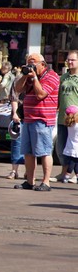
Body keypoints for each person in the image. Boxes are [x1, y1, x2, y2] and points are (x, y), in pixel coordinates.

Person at [13, 53, 59, 191]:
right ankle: (29, 181)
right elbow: (17, 89)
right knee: (28, 152)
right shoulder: (30, 76)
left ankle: (46, 182)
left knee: (44, 151)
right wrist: (26, 75)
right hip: (28, 118)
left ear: (43, 64)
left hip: (42, 119)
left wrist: (34, 78)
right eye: (28, 63)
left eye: (33, 63)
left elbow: (40, 94)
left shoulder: (52, 76)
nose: (30, 66)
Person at [50, 50, 78, 184]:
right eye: (68, 59)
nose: (69, 62)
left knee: (75, 147)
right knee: (62, 147)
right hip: (62, 118)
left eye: (72, 60)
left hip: (76, 119)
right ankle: (64, 172)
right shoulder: (63, 77)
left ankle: (75, 174)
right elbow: (58, 97)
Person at [6, 72, 25, 179]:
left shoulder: (38, 79)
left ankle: (29, 171)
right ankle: (14, 171)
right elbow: (14, 97)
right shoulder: (19, 78)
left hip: (32, 114)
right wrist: (15, 113)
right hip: (19, 113)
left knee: (31, 144)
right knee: (16, 143)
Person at [62, 105, 78, 183]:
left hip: (70, 146)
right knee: (73, 163)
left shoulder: (70, 124)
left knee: (75, 162)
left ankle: (76, 176)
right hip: (76, 147)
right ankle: (67, 175)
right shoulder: (76, 125)